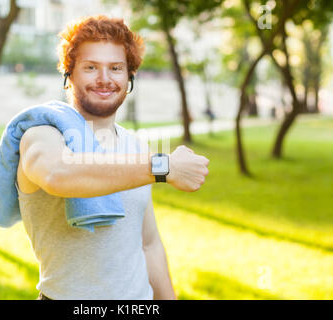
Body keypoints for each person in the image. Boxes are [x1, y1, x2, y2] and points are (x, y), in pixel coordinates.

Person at [16, 15, 209, 300]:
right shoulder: (42, 134)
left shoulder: (136, 148)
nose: (104, 79)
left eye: (116, 68)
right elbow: (58, 174)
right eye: (91, 67)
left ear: (129, 76)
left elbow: (148, 243)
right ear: (69, 75)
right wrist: (163, 167)